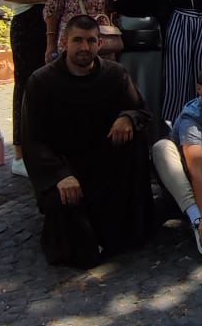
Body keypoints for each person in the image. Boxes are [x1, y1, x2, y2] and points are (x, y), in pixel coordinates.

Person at [22, 15, 152, 267]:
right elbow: (33, 141)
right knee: (75, 243)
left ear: (100, 44)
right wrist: (59, 175)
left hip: (105, 164)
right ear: (65, 42)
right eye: (78, 40)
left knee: (136, 139)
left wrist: (127, 117)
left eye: (91, 41)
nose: (84, 47)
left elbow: (142, 111)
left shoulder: (115, 74)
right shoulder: (42, 81)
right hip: (66, 169)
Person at [151, 62, 202, 257]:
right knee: (161, 148)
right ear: (199, 89)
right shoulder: (192, 117)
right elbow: (195, 166)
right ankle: (197, 220)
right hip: (188, 179)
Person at [1, 0, 58, 176]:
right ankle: (20, 154)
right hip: (27, 24)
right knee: (25, 86)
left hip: (49, 24)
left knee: (48, 86)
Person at [109, 0, 169, 123]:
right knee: (127, 85)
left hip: (152, 37)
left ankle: (151, 134)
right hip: (126, 36)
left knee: (151, 86)